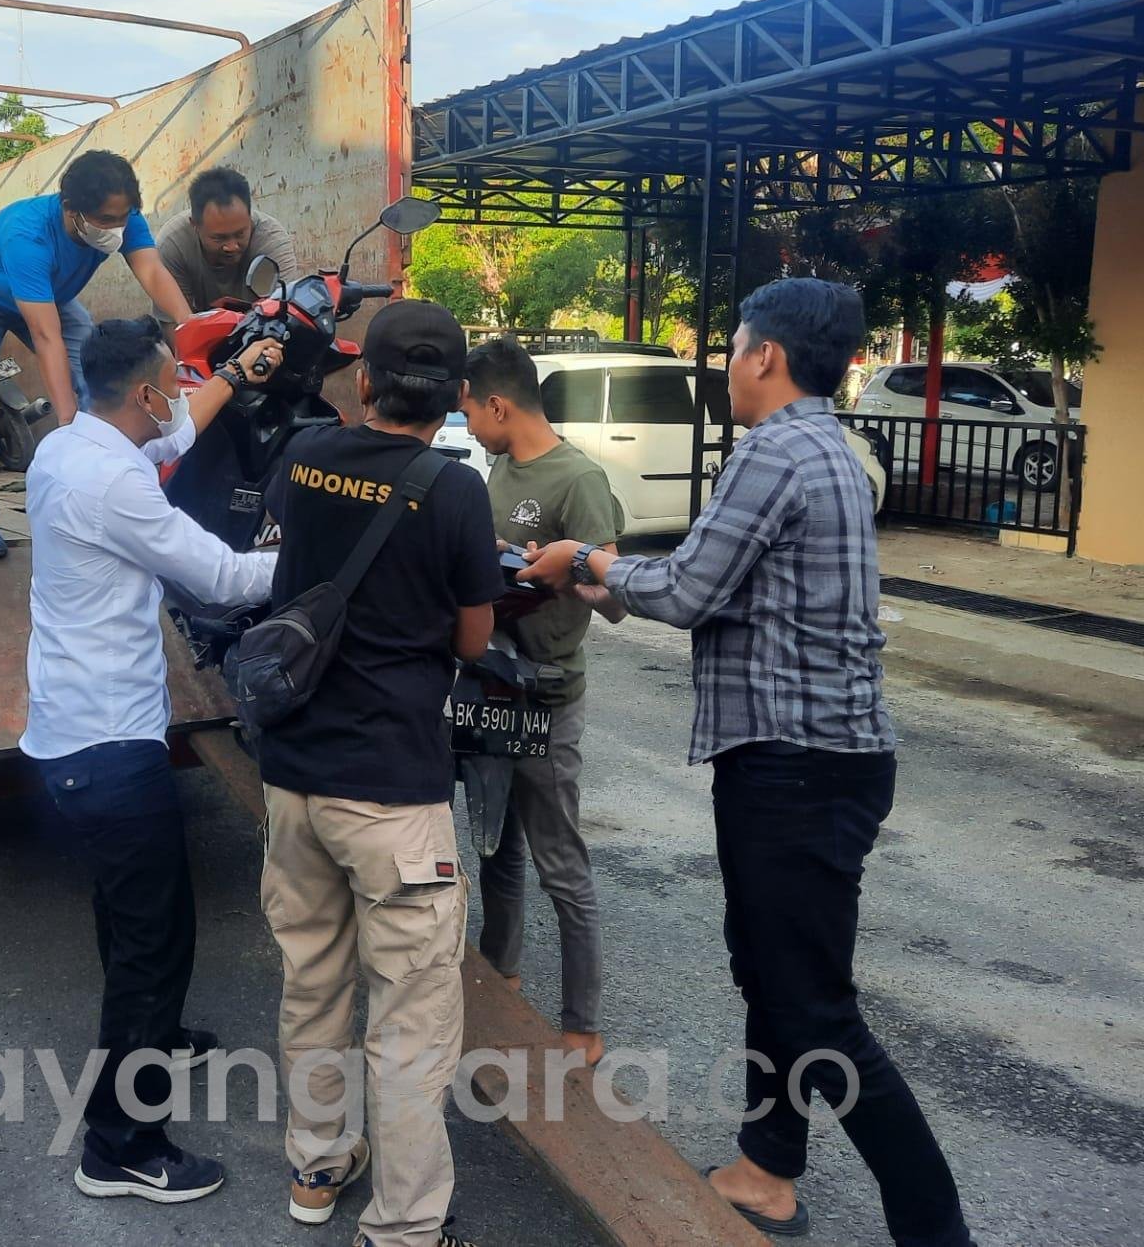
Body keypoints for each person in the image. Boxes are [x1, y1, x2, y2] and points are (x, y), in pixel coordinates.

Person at [522, 280, 976, 1247]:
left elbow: (689, 588)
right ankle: (767, 1169)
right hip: (814, 759)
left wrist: (587, 560)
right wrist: (607, 580)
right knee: (772, 975)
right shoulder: (829, 446)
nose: (725, 365)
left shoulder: (773, 452)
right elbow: (727, 587)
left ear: (766, 355)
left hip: (798, 767)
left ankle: (938, 1232)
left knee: (817, 1010)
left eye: (731, 347)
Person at [20, 317, 282, 1205]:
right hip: (107, 743)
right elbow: (222, 577)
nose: (178, 394)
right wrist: (323, 554)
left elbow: (169, 437)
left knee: (124, 910)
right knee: (156, 942)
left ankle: (154, 1039)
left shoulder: (68, 445)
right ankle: (121, 1143)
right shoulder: (112, 485)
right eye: (173, 381)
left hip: (72, 728)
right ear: (140, 391)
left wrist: (235, 374)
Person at [258, 300, 503, 1247]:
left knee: (312, 983)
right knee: (410, 1018)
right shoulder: (455, 489)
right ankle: (404, 1228)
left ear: (364, 381)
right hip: (393, 793)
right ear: (455, 397)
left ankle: (316, 1167)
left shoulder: (303, 454)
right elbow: (473, 637)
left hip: (294, 777)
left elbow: (286, 544)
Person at [459, 336, 621, 1067]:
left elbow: (615, 600)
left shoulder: (579, 479)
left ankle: (582, 1026)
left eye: (470, 412)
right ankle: (503, 975)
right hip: (490, 682)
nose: (468, 428)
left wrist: (565, 571)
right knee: (495, 841)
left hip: (547, 694)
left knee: (561, 861)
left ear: (498, 405)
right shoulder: (498, 467)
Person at [0, 149, 195, 559]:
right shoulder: (28, 235)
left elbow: (151, 271)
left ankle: (113, 484)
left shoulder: (123, 215)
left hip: (46, 294)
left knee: (99, 371)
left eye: (123, 217)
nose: (116, 228)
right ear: (70, 209)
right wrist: (68, 422)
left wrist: (192, 328)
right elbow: (46, 336)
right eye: (105, 220)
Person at [153, 165, 299, 316]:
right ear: (195, 225)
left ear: (250, 217)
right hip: (200, 328)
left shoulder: (272, 241)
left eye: (240, 234)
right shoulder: (173, 245)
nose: (232, 246)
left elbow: (284, 314)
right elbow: (175, 323)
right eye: (219, 238)